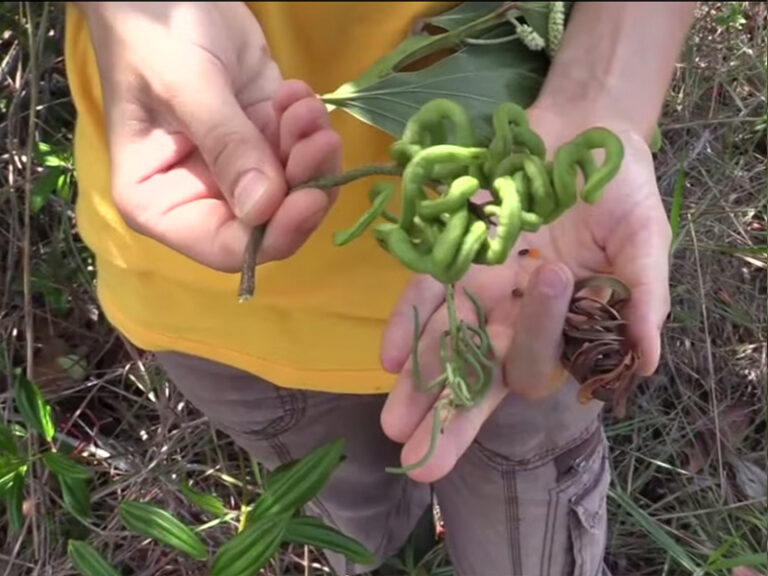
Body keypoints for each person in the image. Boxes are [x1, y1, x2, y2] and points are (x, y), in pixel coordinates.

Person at [64, 2, 697, 575]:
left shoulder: (530, 263)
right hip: (212, 291)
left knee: (527, 522)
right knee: (360, 524)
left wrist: (604, 92)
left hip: (522, 314)